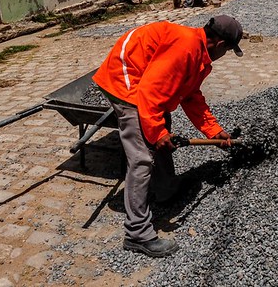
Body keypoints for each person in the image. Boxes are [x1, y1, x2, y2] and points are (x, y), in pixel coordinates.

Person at [92, 15, 244, 258]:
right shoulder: (185, 49)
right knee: (142, 156)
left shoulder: (198, 54)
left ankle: (164, 190)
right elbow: (149, 93)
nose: (225, 55)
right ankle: (137, 234)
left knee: (160, 130)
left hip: (144, 81)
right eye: (228, 50)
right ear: (221, 45)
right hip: (125, 81)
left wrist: (215, 131)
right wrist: (158, 132)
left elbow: (191, 96)